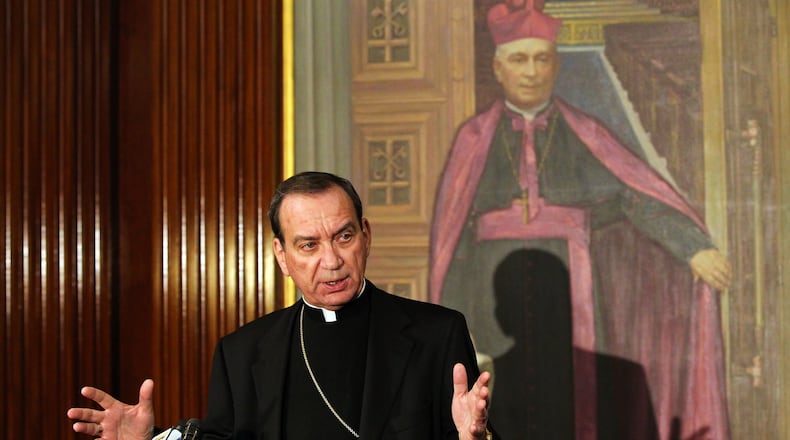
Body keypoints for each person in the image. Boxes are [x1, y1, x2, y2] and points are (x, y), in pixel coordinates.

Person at [430, 1, 732, 439]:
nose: (531, 71)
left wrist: (693, 247)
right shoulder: (473, 139)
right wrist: (458, 327)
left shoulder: (586, 133)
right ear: (498, 68)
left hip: (573, 296)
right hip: (491, 299)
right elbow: (453, 244)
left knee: (573, 408)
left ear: (555, 66)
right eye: (519, 59)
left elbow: (635, 196)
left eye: (541, 59)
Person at [68, 171, 493, 440]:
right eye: (309, 245)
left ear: (366, 236)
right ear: (282, 256)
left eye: (344, 237)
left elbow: (474, 430)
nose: (332, 260)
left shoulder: (437, 333)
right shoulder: (243, 352)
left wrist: (474, 439)